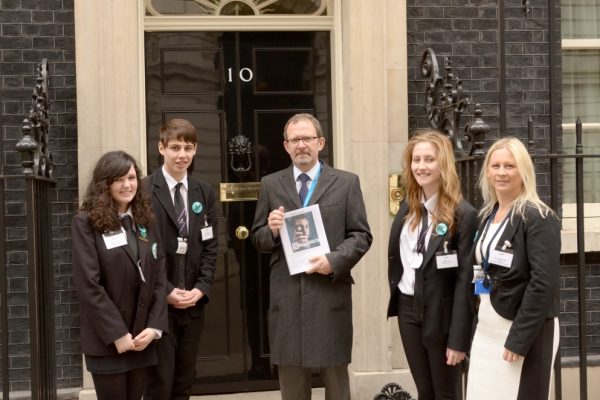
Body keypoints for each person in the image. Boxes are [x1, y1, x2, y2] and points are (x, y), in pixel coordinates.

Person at [251, 113, 373, 400]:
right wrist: (272, 231)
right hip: (288, 299)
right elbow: (258, 239)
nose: (301, 145)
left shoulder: (346, 183)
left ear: (321, 142)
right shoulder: (271, 184)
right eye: (295, 140)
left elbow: (361, 235)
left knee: (336, 386)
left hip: (329, 295)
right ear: (286, 145)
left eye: (307, 139)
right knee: (292, 386)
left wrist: (334, 260)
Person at [466, 137, 560, 400]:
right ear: (487, 171)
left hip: (520, 334)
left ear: (523, 171)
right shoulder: (486, 216)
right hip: (486, 332)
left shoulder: (538, 216)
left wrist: (519, 339)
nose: (502, 172)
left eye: (510, 166)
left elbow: (543, 283)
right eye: (495, 165)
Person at [386, 130, 477, 400]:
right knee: (424, 391)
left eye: (429, 160)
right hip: (408, 309)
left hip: (442, 314)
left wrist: (459, 339)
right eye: (416, 160)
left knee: (446, 393)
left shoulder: (463, 214)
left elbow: (465, 282)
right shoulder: (407, 208)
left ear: (443, 165)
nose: (421, 166)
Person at [72, 150, 167, 400]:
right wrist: (117, 333)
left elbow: (158, 276)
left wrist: (155, 327)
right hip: (109, 342)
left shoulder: (145, 220)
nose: (127, 185)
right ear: (105, 184)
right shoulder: (85, 223)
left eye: (132, 177)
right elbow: (88, 285)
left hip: (141, 340)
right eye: (119, 179)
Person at [144, 119, 219, 400]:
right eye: (175, 147)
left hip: (193, 305)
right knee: (159, 383)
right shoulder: (144, 191)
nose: (182, 154)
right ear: (161, 148)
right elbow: (141, 253)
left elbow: (211, 247)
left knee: (184, 382)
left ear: (196, 149)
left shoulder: (204, 192)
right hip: (158, 306)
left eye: (188, 147)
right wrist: (164, 292)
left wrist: (201, 288)